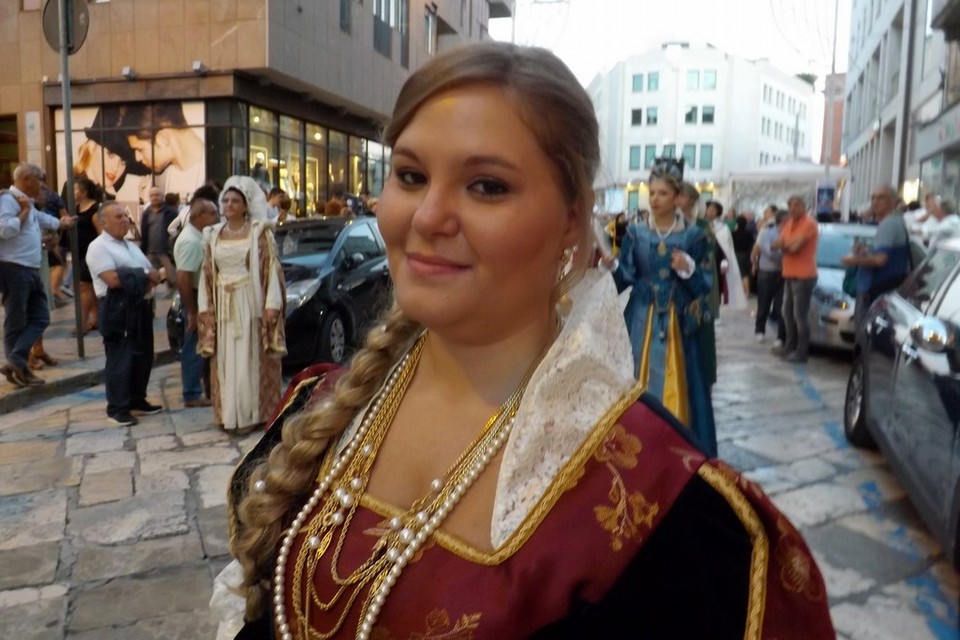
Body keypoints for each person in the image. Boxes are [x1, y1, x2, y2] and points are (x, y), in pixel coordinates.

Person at [212, 42, 833, 640]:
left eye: (487, 186)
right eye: (410, 174)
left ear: (572, 217)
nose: (428, 216)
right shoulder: (321, 409)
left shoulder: (664, 512)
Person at [614, 158, 717, 456]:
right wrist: (612, 268)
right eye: (652, 191)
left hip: (678, 323)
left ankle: (675, 443)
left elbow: (704, 286)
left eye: (662, 193)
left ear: (677, 198)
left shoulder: (693, 236)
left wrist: (688, 269)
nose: (654, 198)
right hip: (640, 317)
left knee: (682, 381)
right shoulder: (635, 233)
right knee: (634, 374)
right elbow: (626, 276)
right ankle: (634, 440)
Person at [197, 176, 286, 434]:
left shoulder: (259, 232)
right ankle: (229, 415)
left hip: (249, 300)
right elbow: (206, 273)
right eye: (225, 200)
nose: (229, 204)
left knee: (249, 357)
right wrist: (206, 308)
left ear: (246, 205)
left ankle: (251, 415)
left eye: (235, 200)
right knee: (226, 359)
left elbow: (271, 269)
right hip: (224, 303)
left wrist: (271, 305)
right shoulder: (212, 234)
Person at [86, 202, 163, 426]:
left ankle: (136, 399)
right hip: (117, 307)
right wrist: (144, 275)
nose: (125, 220)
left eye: (126, 216)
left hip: (139, 304)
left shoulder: (129, 246)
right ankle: (117, 408)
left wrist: (144, 276)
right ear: (103, 222)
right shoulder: (98, 247)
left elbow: (153, 275)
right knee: (121, 357)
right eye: (118, 216)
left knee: (142, 354)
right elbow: (113, 279)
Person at [0, 163, 75, 387]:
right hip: (14, 268)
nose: (42, 185)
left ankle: (16, 361)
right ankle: (19, 366)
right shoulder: (9, 200)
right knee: (16, 320)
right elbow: (4, 230)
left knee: (40, 316)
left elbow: (42, 221)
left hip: (29, 267)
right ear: (26, 178)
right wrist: (23, 212)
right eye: (39, 180)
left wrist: (61, 225)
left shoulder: (27, 203)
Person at [842, 185, 912, 328]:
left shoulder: (889, 224)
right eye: (873, 197)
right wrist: (865, 252)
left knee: (864, 332)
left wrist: (852, 260)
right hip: (883, 287)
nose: (875, 202)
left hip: (877, 287)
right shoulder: (895, 222)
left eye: (881, 198)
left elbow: (880, 260)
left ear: (893, 202)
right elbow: (885, 254)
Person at [173, 197, 219, 408]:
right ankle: (191, 392)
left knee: (202, 344)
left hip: (202, 296)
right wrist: (192, 312)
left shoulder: (200, 236)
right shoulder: (190, 241)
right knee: (194, 345)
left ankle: (205, 389)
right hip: (195, 297)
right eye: (212, 213)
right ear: (199, 216)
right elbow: (183, 277)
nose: (217, 217)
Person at [119, 103, 205, 202]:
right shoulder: (154, 182)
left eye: (140, 149)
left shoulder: (216, 171)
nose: (137, 158)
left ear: (163, 138)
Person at [772, 195, 818, 363]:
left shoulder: (809, 224)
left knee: (800, 315)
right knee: (787, 312)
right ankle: (790, 346)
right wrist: (787, 245)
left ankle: (801, 352)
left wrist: (785, 246)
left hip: (804, 275)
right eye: (790, 205)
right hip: (790, 274)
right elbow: (774, 244)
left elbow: (794, 248)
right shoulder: (790, 224)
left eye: (796, 205)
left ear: (804, 207)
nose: (792, 209)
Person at [752, 208, 787, 345]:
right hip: (767, 272)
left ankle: (781, 336)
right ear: (782, 222)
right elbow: (769, 252)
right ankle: (760, 330)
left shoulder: (790, 235)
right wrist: (786, 255)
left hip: (784, 274)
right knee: (764, 303)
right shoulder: (767, 233)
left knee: (781, 307)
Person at [705, 200, 747, 310]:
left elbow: (727, 248)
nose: (710, 211)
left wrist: (724, 262)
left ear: (718, 213)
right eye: (708, 208)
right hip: (702, 262)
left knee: (716, 288)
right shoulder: (700, 225)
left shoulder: (722, 228)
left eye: (713, 209)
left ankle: (715, 308)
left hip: (716, 262)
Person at [74, 177, 103, 334]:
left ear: (84, 192)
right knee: (90, 289)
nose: (73, 192)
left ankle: (82, 323)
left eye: (76, 189)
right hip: (79, 253)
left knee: (83, 287)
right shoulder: (76, 208)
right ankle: (97, 319)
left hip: (90, 254)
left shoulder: (94, 210)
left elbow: (101, 233)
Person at [140, 186, 179, 288]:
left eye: (157, 195)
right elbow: (144, 234)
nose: (154, 197)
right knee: (150, 280)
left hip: (165, 252)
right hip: (150, 253)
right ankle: (153, 302)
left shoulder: (171, 213)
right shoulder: (146, 214)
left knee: (173, 279)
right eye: (152, 195)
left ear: (162, 196)